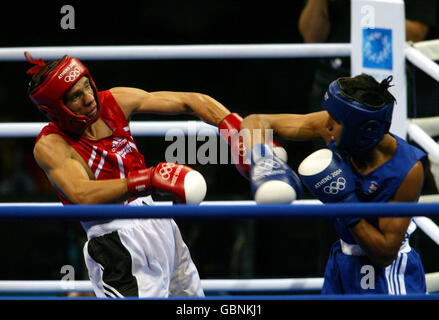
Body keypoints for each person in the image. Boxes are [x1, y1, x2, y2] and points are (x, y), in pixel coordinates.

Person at [24, 52, 234, 298]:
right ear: (55, 109)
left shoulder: (114, 101)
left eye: (87, 86)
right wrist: (147, 179)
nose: (89, 98)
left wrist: (234, 129)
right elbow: (82, 194)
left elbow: (189, 101)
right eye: (76, 96)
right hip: (115, 240)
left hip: (160, 222)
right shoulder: (52, 145)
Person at [239, 73, 427, 294]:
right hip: (343, 259)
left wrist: (345, 202)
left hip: (388, 275)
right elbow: (256, 122)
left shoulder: (407, 169)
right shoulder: (333, 127)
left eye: (335, 120)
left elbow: (385, 253)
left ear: (363, 130)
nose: (326, 124)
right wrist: (265, 161)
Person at [298, 0, 438, 113]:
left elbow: (415, 34)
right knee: (326, 147)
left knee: (380, 143)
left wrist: (368, 7)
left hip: (382, 79)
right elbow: (311, 36)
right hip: (332, 78)